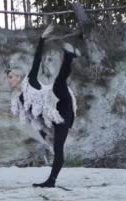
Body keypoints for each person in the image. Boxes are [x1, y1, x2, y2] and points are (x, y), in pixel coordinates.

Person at [8, 24, 81, 188]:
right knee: (58, 148)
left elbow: (37, 58)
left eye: (11, 76)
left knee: (57, 85)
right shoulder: (20, 99)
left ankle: (69, 56)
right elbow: (33, 118)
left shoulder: (31, 80)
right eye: (8, 77)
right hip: (54, 118)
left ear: (19, 77)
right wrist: (45, 135)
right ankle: (51, 181)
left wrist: (42, 39)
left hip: (60, 104)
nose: (9, 80)